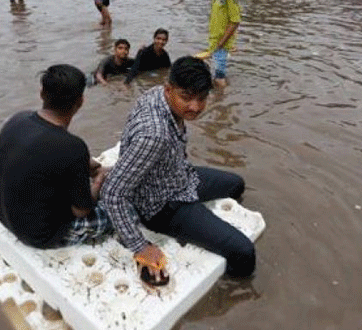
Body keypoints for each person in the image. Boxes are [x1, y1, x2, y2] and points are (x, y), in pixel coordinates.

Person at [100, 56, 256, 284]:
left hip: (179, 176)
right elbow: (113, 192)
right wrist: (140, 246)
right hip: (161, 206)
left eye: (202, 99)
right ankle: (230, 293)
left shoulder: (157, 93)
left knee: (236, 184)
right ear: (168, 90)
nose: (195, 107)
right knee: (244, 253)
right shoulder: (154, 136)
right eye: (186, 98)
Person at [0, 64, 113, 249]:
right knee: (120, 211)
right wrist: (99, 180)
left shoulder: (18, 118)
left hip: (1, 214)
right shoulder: (73, 146)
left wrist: (88, 166)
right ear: (81, 101)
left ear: (41, 93)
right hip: (39, 235)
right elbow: (82, 210)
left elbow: (51, 155)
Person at [195, 0, 241, 87]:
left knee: (219, 78)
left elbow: (235, 21)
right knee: (218, 74)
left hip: (221, 44)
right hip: (215, 42)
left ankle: (222, 104)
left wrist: (220, 45)